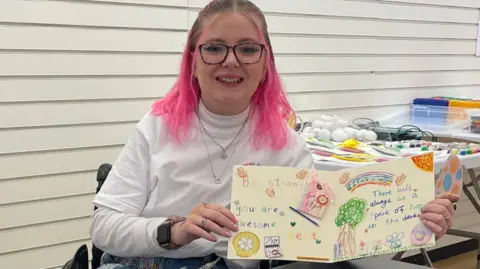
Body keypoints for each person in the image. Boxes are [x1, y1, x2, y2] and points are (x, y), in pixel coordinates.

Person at [89, 0, 459, 268]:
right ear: (193, 59)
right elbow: (104, 228)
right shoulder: (156, 127)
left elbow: (325, 233)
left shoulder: (287, 147)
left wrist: (414, 221)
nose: (231, 61)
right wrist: (177, 230)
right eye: (214, 48)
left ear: (266, 63)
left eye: (248, 49)